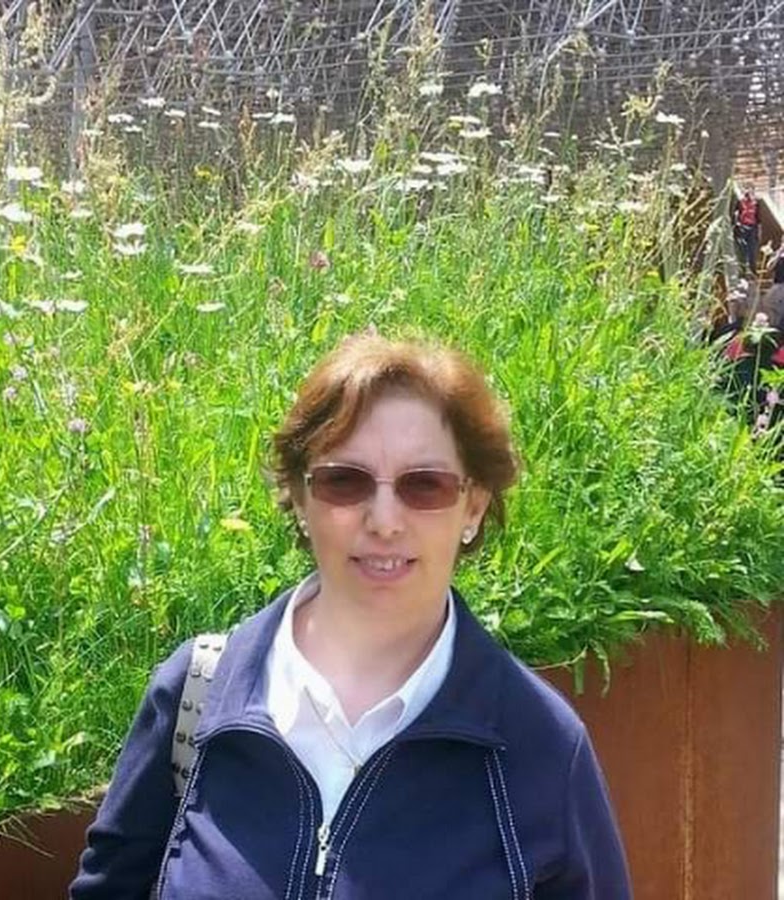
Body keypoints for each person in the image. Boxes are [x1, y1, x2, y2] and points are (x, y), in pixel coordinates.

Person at [69, 334, 632, 899]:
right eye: (345, 481)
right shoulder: (196, 696)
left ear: (474, 506)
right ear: (299, 497)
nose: (384, 520)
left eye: (425, 485)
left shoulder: (541, 749)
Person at [733, 184, 760, 275]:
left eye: (750, 189)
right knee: (743, 249)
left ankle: (753, 269)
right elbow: (736, 213)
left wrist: (758, 230)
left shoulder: (756, 203)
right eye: (746, 189)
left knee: (752, 249)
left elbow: (758, 217)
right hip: (743, 227)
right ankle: (743, 270)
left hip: (752, 227)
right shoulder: (740, 202)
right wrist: (737, 224)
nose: (748, 192)